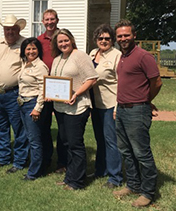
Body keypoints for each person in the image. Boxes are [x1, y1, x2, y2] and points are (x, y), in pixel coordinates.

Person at [112, 19, 162, 208]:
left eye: (126, 35)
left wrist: (146, 100)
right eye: (120, 36)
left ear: (134, 35)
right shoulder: (122, 56)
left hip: (137, 110)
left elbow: (157, 82)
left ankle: (148, 192)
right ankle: (133, 184)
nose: (123, 38)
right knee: (126, 150)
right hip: (122, 109)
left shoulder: (143, 56)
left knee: (141, 152)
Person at [50, 29, 98, 190]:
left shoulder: (80, 56)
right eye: (60, 42)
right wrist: (50, 94)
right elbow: (54, 81)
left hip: (77, 107)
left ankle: (77, 181)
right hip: (60, 107)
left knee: (75, 144)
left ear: (71, 40)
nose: (63, 44)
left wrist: (76, 93)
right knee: (65, 142)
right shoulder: (57, 58)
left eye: (66, 40)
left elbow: (92, 79)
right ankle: (70, 176)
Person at [0, 14, 29, 173]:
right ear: (4, 30)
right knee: (0, 127)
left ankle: (19, 161)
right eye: (7, 29)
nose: (10, 32)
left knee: (19, 129)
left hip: (14, 93)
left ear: (18, 29)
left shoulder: (24, 44)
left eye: (13, 29)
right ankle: (2, 158)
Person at [89, 24, 123, 188]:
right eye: (100, 38)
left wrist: (117, 106)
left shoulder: (117, 56)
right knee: (99, 139)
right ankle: (100, 169)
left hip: (110, 104)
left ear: (112, 40)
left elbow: (121, 83)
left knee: (111, 141)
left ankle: (115, 176)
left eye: (107, 38)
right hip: (95, 104)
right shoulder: (92, 54)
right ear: (96, 39)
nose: (103, 41)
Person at [37, 9, 67, 173]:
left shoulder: (62, 38)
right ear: (43, 22)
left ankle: (62, 162)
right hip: (46, 88)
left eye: (52, 19)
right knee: (43, 126)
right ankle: (46, 159)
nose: (49, 22)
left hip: (61, 87)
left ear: (57, 20)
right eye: (46, 19)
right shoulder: (39, 41)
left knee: (63, 127)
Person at [18, 37, 49, 180]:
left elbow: (44, 88)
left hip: (32, 104)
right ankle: (38, 167)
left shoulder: (40, 66)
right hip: (23, 104)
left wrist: (38, 108)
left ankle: (34, 172)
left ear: (39, 50)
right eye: (28, 49)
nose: (31, 51)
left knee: (34, 140)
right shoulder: (25, 64)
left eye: (34, 49)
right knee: (31, 138)